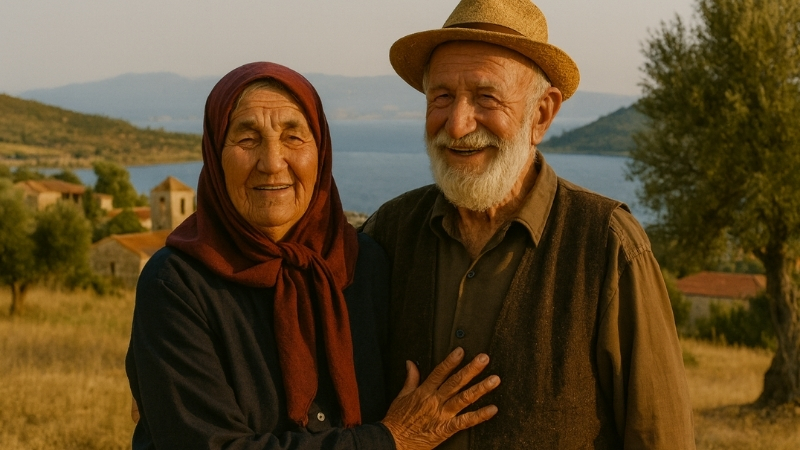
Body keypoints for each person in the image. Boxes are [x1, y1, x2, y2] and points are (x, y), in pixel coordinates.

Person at [361, 0, 696, 448]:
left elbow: (661, 436)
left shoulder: (607, 246)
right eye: (441, 96)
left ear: (541, 114)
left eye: (486, 97)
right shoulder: (389, 233)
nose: (458, 125)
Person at [125, 62, 500, 450]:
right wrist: (390, 440)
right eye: (247, 139)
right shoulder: (176, 284)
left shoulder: (363, 264)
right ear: (215, 155)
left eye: (293, 137)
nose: (272, 163)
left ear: (320, 153)